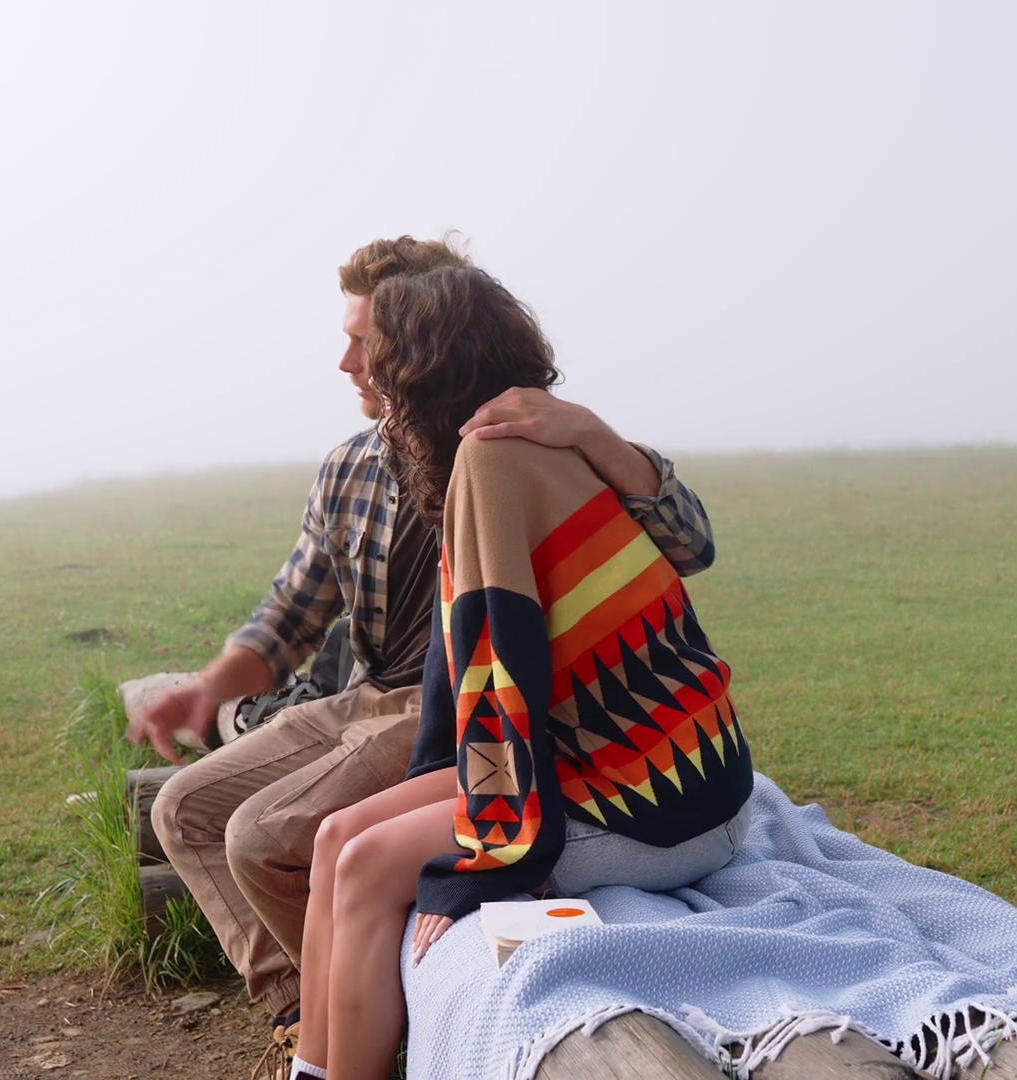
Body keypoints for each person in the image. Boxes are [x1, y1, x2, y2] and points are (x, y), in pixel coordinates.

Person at [129, 237, 718, 1049]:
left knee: (266, 836)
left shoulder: (523, 443)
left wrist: (595, 433)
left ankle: (364, 1021)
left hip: (448, 711)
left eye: (364, 343)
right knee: (181, 808)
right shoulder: (351, 468)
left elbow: (686, 547)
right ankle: (303, 1012)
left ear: (420, 351)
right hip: (371, 695)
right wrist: (208, 688)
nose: (345, 363)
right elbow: (291, 612)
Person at [292, 264, 753, 1080]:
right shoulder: (525, 441)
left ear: (423, 372)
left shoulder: (493, 459)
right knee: (335, 840)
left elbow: (498, 666)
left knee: (364, 865)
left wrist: (489, 854)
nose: (360, 373)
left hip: (660, 801)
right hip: (625, 762)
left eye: (379, 356)